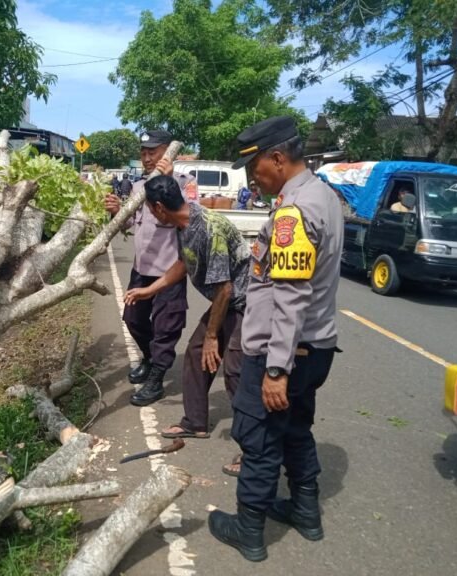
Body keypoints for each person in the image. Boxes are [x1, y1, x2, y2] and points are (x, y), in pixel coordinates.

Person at [208, 116, 343, 562]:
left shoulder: (294, 212)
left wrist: (275, 370)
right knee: (296, 428)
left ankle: (248, 530)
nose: (252, 180)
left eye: (255, 169)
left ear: (279, 158)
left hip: (282, 351)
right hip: (315, 346)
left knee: (259, 438)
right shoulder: (322, 195)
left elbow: (289, 296)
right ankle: (305, 511)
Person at [123, 175, 250, 439]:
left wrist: (213, 336)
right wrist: (148, 290)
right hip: (226, 301)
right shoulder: (182, 225)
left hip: (247, 304)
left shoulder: (208, 228)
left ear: (159, 207)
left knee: (235, 370)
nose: (148, 213)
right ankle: (195, 422)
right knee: (196, 353)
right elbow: (183, 264)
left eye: (148, 208)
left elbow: (225, 288)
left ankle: (254, 448)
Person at [104, 130, 196, 406]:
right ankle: (149, 357)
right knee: (133, 319)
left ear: (167, 152)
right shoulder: (138, 187)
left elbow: (191, 218)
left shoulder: (185, 182)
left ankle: (156, 379)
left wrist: (167, 181)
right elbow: (132, 225)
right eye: (143, 153)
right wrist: (116, 212)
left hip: (170, 270)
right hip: (141, 269)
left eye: (152, 152)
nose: (146, 158)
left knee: (166, 328)